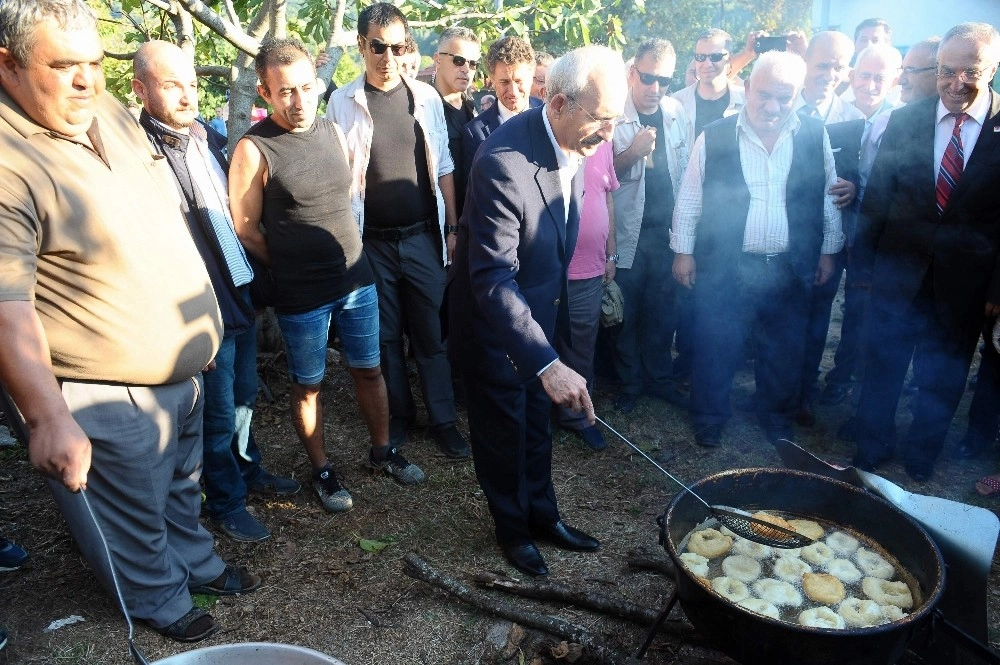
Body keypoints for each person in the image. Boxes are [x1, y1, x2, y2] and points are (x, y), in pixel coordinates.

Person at [0, 0, 259, 643]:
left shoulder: (106, 110)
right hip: (99, 385)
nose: (88, 81)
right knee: (133, 508)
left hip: (181, 364)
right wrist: (49, 418)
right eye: (64, 66)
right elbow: (5, 304)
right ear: (7, 64)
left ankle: (194, 564)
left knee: (180, 486)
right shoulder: (7, 159)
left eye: (95, 63)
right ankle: (158, 599)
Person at [447, 46, 628, 577]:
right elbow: (492, 276)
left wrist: (548, 355)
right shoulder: (504, 164)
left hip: (537, 320)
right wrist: (546, 362)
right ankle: (512, 529)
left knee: (537, 428)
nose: (610, 135)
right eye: (601, 120)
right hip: (496, 332)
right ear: (558, 103)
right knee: (503, 435)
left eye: (617, 121)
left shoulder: (576, 140)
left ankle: (544, 516)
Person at [230, 38, 424, 512]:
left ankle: (383, 451)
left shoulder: (333, 131)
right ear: (264, 93)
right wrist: (288, 264)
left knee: (370, 367)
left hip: (356, 280)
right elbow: (244, 227)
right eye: (284, 92)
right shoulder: (254, 150)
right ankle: (322, 470)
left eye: (305, 88)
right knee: (309, 383)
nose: (298, 102)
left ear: (317, 83)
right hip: (302, 295)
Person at [132, 41, 301, 542]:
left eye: (191, 83)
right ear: (140, 90)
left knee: (244, 398)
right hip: (204, 309)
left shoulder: (204, 136)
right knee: (218, 412)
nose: (187, 96)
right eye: (171, 85)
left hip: (238, 290)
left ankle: (249, 472)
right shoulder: (143, 155)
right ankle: (226, 502)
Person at [849, 22, 1000, 482]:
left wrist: (998, 288)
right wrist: (863, 266)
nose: (957, 83)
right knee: (882, 362)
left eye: (971, 72)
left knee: (945, 371)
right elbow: (878, 197)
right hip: (897, 271)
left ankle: (922, 455)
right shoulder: (907, 119)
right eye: (947, 71)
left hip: (966, 282)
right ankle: (871, 445)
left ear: (992, 69)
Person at [671, 51, 844, 447]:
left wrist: (829, 251)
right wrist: (683, 251)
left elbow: (827, 198)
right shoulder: (714, 135)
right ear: (746, 88)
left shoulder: (815, 134)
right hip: (727, 264)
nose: (773, 107)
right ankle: (709, 417)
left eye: (784, 98)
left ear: (797, 96)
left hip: (789, 265)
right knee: (717, 342)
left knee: (783, 348)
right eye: (764, 95)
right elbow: (690, 198)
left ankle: (776, 417)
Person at [327, 3, 469, 459]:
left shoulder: (425, 99)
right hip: (372, 243)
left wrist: (452, 225)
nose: (388, 56)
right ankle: (400, 417)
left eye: (397, 46)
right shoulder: (341, 102)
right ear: (361, 46)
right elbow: (337, 175)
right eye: (377, 46)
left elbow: (444, 164)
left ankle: (444, 421)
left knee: (430, 333)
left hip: (423, 237)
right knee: (386, 336)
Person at [822, 37, 942, 409]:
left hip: (874, 234)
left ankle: (850, 381)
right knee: (824, 301)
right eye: (865, 75)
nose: (871, 84)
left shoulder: (897, 117)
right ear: (853, 75)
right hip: (829, 224)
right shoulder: (830, 109)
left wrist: (858, 189)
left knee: (861, 312)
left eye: (883, 77)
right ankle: (828, 380)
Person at [611, 38, 692, 414]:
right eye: (647, 78)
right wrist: (633, 153)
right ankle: (629, 384)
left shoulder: (677, 113)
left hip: (666, 234)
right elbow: (598, 178)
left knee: (663, 312)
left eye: (665, 80)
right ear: (632, 73)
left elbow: (689, 176)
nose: (655, 88)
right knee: (626, 313)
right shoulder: (611, 114)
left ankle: (659, 380)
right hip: (627, 233)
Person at [555, 139, 619, 450]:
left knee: (582, 344)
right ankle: (538, 415)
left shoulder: (605, 143)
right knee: (539, 339)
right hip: (547, 268)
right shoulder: (546, 137)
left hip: (590, 266)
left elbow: (606, 197)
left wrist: (612, 253)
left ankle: (578, 416)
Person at [461, 36, 540, 171]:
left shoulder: (549, 114)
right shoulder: (475, 133)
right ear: (492, 80)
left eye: (518, 81)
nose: (513, 91)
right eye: (504, 82)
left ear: (532, 75)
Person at [433, 26, 480, 215]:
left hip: (473, 220)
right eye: (458, 60)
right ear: (438, 59)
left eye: (473, 63)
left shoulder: (473, 109)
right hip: (436, 224)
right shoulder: (422, 108)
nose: (466, 69)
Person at [673, 29, 745, 137]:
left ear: (729, 58)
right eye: (700, 57)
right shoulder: (677, 103)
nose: (707, 64)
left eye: (715, 57)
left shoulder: (747, 102)